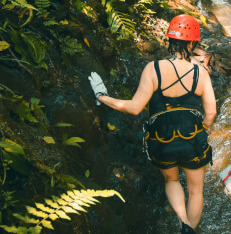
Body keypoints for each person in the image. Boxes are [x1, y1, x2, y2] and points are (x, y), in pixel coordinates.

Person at [90, 15, 217, 234]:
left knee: (172, 181)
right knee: (196, 191)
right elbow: (211, 112)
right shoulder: (201, 73)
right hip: (192, 138)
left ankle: (183, 222)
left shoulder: (153, 69)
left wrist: (102, 96)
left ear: (169, 40)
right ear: (193, 43)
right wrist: (201, 130)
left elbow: (134, 107)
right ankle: (190, 231)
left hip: (162, 139)